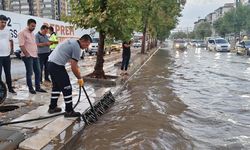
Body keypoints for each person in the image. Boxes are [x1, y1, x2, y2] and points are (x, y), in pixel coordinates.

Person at [47, 34, 92, 117]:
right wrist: (79, 78)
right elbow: (74, 67)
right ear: (82, 40)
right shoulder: (76, 47)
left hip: (50, 64)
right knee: (67, 88)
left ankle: (52, 107)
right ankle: (69, 111)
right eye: (86, 45)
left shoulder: (72, 41)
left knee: (56, 87)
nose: (86, 47)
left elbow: (73, 62)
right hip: (57, 66)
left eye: (88, 46)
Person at [18, 19, 47, 94]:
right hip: (27, 56)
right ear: (28, 25)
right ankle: (31, 88)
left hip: (35, 55)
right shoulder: (22, 33)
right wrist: (27, 54)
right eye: (32, 26)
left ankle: (38, 88)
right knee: (30, 72)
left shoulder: (32, 34)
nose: (33, 28)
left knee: (38, 71)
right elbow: (21, 45)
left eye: (34, 26)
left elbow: (33, 44)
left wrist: (36, 53)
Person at [0, 15, 16, 94]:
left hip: (6, 56)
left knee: (8, 73)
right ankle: (0, 90)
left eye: (5, 22)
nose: (4, 24)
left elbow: (11, 40)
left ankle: (10, 88)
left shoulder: (7, 30)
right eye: (2, 22)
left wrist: (12, 50)